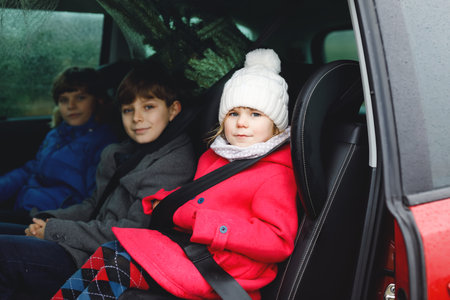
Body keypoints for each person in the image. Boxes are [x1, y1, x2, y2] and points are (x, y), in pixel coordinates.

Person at [53, 48, 299, 300]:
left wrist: (205, 222)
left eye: (255, 114)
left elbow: (277, 241)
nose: (242, 123)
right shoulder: (215, 157)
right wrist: (166, 199)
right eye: (233, 113)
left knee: (118, 266)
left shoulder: (276, 174)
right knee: (110, 252)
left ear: (276, 124)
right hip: (195, 252)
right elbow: (197, 201)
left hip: (225, 270)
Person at [0, 63, 197, 300]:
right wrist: (49, 219)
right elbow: (93, 204)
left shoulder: (172, 163)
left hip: (94, 260)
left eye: (149, 107)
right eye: (127, 110)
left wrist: (55, 230)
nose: (137, 118)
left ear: (173, 110)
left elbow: (133, 234)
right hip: (84, 241)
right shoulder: (128, 151)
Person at [0, 67, 118, 225]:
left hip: (50, 219)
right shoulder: (55, 135)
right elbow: (31, 169)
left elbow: (93, 200)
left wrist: (52, 222)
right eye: (64, 100)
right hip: (25, 206)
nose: (71, 105)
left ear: (99, 100)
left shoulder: (104, 143)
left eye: (80, 97)